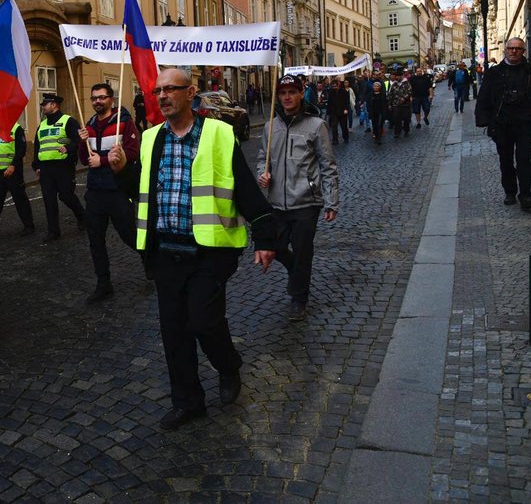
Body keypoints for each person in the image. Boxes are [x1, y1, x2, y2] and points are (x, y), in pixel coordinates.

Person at [107, 67, 276, 431]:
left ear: (190, 92)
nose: (163, 96)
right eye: (158, 91)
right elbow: (141, 188)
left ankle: (228, 365)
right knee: (175, 333)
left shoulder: (218, 133)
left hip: (209, 253)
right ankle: (188, 402)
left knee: (203, 321)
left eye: (171, 89)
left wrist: (264, 236)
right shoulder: (152, 138)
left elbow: (243, 186)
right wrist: (122, 171)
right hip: (165, 253)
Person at [256, 75, 340, 320]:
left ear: (301, 94)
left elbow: (328, 164)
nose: (287, 97)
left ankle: (298, 298)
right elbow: (263, 157)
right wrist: (262, 173)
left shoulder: (316, 125)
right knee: (276, 246)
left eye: (292, 92)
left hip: (306, 201)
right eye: (282, 93)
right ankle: (298, 272)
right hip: (276, 202)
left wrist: (331, 200)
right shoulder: (270, 127)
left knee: (303, 251)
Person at [77, 83, 140, 303]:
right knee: (95, 240)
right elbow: (85, 159)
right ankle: (103, 283)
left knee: (129, 235)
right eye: (94, 98)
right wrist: (82, 140)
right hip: (95, 192)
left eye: (102, 97)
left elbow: (132, 153)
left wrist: (103, 160)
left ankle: (151, 262)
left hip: (118, 189)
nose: (97, 101)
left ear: (111, 100)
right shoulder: (90, 124)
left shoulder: (124, 122)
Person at [476, 37, 531, 210]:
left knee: (524, 158)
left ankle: (525, 194)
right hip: (502, 123)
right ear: (506, 50)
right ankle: (510, 191)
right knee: (506, 160)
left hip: (525, 123)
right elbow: (484, 97)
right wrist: (484, 120)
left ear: (523, 51)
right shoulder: (494, 73)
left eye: (518, 48)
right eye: (511, 48)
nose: (514, 51)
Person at [32, 93, 86, 242]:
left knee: (66, 196)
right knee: (49, 200)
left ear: (54, 104)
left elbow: (78, 139)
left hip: (63, 167)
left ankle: (82, 216)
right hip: (45, 169)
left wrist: (68, 148)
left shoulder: (68, 121)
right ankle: (53, 231)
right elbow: (38, 146)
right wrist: (36, 165)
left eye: (45, 104)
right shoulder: (42, 125)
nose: (43, 106)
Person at [0, 118, 35, 234]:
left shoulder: (16, 128)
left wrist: (13, 165)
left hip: (13, 172)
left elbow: (21, 150)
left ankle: (29, 225)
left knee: (20, 199)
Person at [387, 69, 413, 138]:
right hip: (396, 104)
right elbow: (390, 94)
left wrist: (404, 98)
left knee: (406, 118)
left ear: (401, 76)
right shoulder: (394, 84)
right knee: (396, 119)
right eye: (396, 76)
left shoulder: (406, 83)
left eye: (398, 76)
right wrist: (389, 104)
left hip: (405, 104)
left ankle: (406, 130)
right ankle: (397, 132)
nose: (396, 78)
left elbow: (409, 92)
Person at [325, 80, 350, 144]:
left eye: (335, 86)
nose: (334, 88)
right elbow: (329, 102)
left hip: (342, 112)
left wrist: (346, 109)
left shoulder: (344, 92)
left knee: (344, 127)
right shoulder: (331, 92)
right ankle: (335, 139)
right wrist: (329, 112)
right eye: (333, 86)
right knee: (334, 127)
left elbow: (347, 102)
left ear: (338, 86)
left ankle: (346, 138)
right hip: (334, 112)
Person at [367, 79, 389, 145]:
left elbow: (385, 103)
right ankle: (376, 136)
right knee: (374, 125)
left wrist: (385, 111)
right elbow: (368, 103)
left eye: (377, 86)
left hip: (380, 112)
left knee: (379, 125)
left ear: (379, 87)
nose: (376, 87)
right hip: (373, 112)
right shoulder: (371, 94)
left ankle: (379, 139)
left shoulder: (382, 94)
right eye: (374, 86)